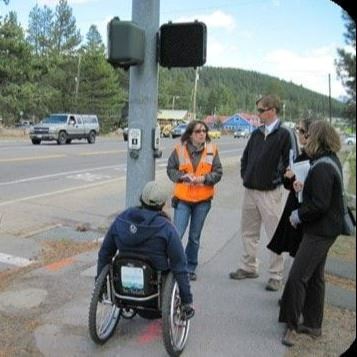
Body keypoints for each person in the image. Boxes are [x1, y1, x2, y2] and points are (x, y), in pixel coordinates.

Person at [279, 120, 344, 346]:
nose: (304, 138)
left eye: (308, 135)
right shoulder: (328, 160)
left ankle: (292, 326)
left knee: (298, 276)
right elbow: (320, 195)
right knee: (316, 276)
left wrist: (298, 215)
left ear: (317, 138)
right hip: (325, 229)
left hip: (319, 231)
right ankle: (313, 324)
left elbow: (319, 204)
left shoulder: (323, 166)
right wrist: (303, 187)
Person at [96, 181, 194, 318]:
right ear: (162, 204)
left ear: (141, 198)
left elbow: (105, 253)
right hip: (154, 299)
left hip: (122, 294)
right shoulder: (167, 228)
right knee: (175, 265)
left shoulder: (121, 220)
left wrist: (99, 287)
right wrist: (186, 301)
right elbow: (180, 265)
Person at [229, 95, 292, 291]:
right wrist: (245, 175)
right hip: (250, 190)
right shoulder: (256, 134)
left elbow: (291, 162)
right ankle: (249, 266)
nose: (258, 115)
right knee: (248, 231)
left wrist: (278, 180)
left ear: (272, 110)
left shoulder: (284, 135)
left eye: (261, 110)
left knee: (274, 234)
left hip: (270, 193)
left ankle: (276, 275)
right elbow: (245, 158)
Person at [167, 120, 223, 281]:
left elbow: (218, 173)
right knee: (177, 233)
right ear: (190, 134)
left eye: (204, 131)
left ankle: (190, 267)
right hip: (183, 199)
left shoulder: (212, 150)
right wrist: (181, 177)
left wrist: (203, 179)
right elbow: (170, 170)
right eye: (198, 131)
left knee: (194, 236)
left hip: (202, 201)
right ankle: (173, 264)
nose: (202, 134)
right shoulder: (179, 150)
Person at [267, 118, 312, 257]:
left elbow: (313, 186)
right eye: (298, 130)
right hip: (295, 206)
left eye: (302, 131)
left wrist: (297, 179)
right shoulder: (302, 154)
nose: (299, 133)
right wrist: (289, 177)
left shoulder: (316, 158)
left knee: (302, 252)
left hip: (305, 210)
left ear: (311, 134)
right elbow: (290, 186)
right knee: (295, 250)